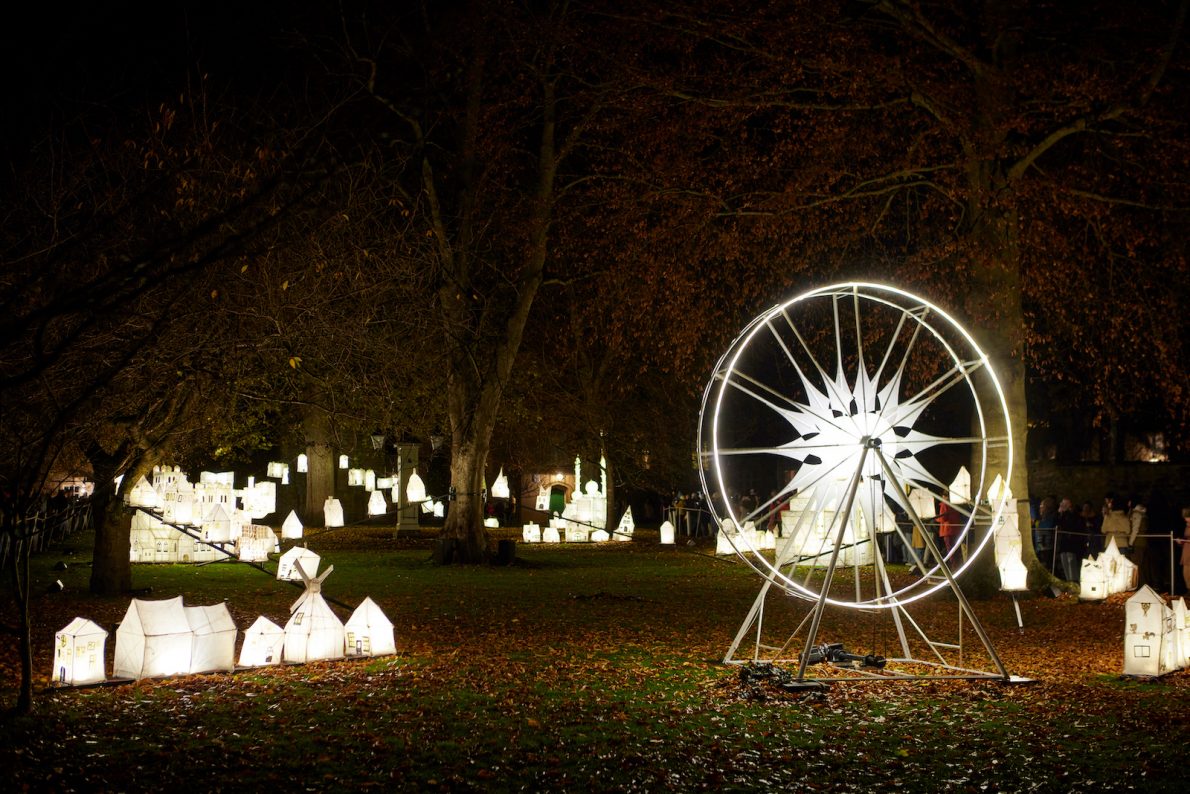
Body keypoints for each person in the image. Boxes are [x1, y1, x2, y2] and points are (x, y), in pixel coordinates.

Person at [1056, 497, 1084, 581]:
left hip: (1071, 544)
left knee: (1071, 564)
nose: (1062, 505)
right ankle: (1069, 582)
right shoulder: (1061, 514)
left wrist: (1064, 513)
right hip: (1064, 544)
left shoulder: (1073, 514)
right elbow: (1058, 524)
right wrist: (1060, 514)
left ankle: (1074, 582)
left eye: (1064, 504)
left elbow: (1070, 526)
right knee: (1065, 564)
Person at [1034, 496, 1058, 571]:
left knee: (1046, 566)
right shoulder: (1042, 519)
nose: (1040, 508)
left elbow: (1047, 528)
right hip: (1040, 546)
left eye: (1042, 506)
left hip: (1046, 546)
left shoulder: (1050, 518)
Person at [1178, 507, 1190, 594]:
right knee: (1186, 573)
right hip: (1186, 551)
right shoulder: (1187, 526)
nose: (1186, 519)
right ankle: (1188, 589)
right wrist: (1181, 541)